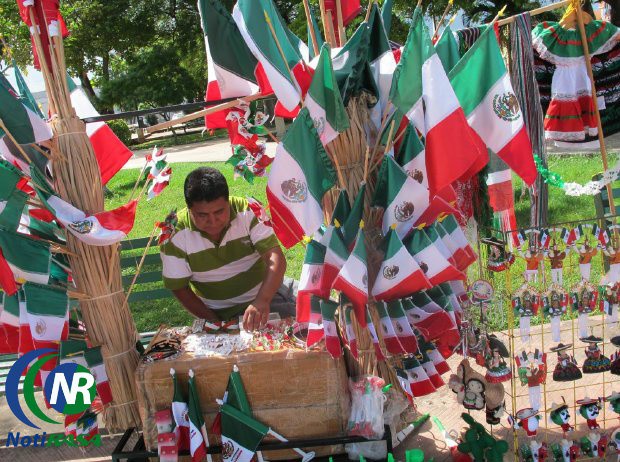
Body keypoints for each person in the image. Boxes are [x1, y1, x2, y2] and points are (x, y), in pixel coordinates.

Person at [160, 167, 292, 331]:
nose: (213, 221)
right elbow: (179, 288)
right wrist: (216, 323)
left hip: (267, 296)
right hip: (216, 313)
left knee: (316, 312)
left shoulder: (248, 209)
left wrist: (262, 300)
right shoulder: (173, 233)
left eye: (220, 211)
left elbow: (275, 257)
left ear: (228, 201)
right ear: (189, 209)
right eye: (202, 215)